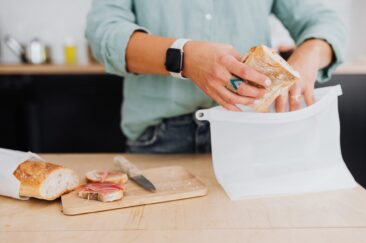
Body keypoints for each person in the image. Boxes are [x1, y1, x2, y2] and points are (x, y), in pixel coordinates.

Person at [86, 0, 346, 154]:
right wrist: (185, 57)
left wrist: (308, 55)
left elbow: (324, 21)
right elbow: (103, 34)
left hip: (249, 133)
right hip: (158, 138)